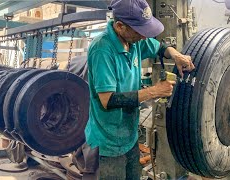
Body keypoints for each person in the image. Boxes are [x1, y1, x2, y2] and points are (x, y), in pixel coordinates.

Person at [84, 0, 195, 179]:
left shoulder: (133, 41)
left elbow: (159, 47)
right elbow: (108, 100)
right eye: (140, 31)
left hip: (128, 136)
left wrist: (176, 55)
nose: (144, 36)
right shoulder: (102, 50)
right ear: (120, 26)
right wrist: (154, 91)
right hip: (107, 143)